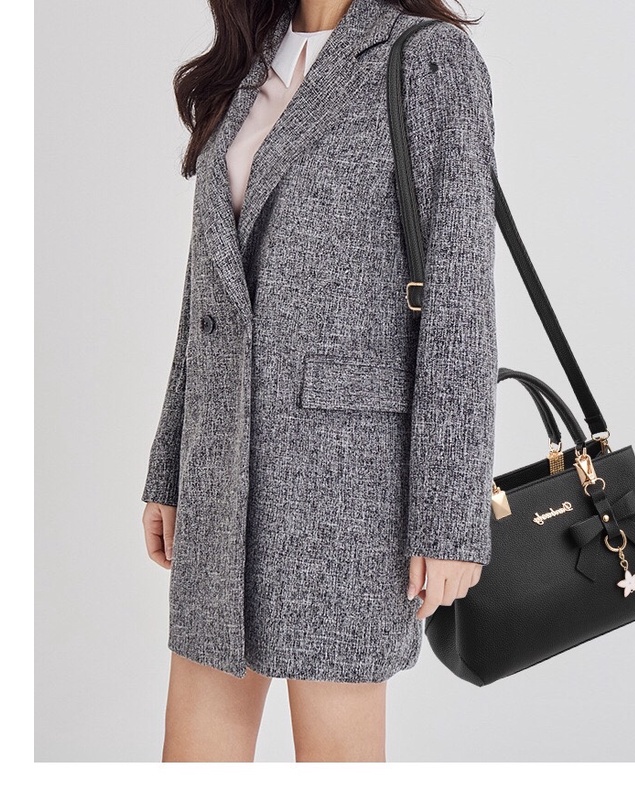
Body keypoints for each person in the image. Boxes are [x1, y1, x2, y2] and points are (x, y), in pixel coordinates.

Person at [140, 0, 498, 762]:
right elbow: (208, 296)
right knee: (194, 747)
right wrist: (171, 464)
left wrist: (449, 517)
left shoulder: (429, 60)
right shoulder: (249, 59)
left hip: (346, 481)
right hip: (220, 469)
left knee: (336, 754)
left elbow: (460, 302)